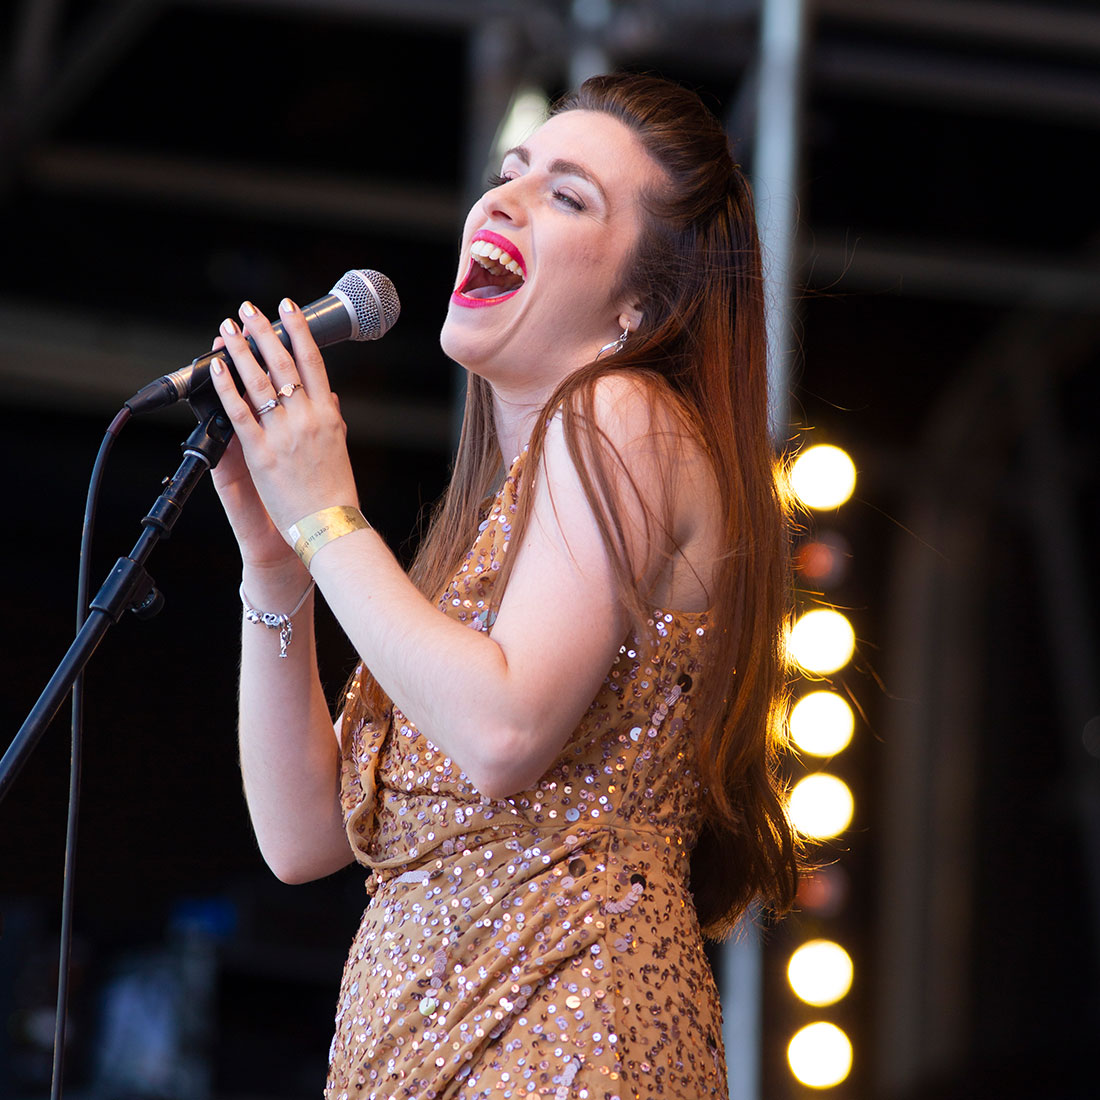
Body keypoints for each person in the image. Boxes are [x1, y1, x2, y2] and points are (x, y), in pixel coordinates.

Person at [207, 72, 799, 1100]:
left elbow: (503, 731)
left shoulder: (625, 411)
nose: (504, 201)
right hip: (433, 1054)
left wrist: (327, 515)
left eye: (567, 196)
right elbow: (303, 835)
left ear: (639, 307)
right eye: (509, 173)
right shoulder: (491, 532)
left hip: (568, 1040)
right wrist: (279, 565)